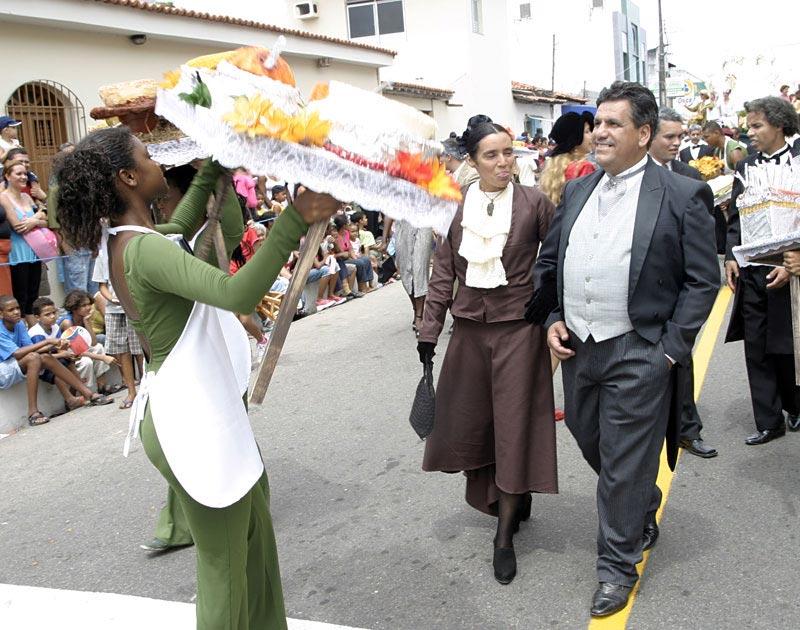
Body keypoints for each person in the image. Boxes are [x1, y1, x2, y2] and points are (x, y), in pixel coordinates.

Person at [55, 126, 339, 630]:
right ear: (127, 176)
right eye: (148, 157)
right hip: (191, 417)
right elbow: (234, 294)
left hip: (204, 408)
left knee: (255, 545)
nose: (159, 164)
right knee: (226, 568)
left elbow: (183, 225)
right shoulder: (142, 250)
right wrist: (295, 218)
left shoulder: (134, 238)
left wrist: (215, 168)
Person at [534, 81, 719, 616]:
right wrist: (551, 318)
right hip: (580, 348)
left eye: (614, 123)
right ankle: (641, 498)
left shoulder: (681, 194)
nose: (600, 132)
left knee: (621, 462)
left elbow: (702, 281)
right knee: (588, 436)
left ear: (643, 133)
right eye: (598, 123)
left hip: (641, 350)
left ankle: (616, 567)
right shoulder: (577, 190)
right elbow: (550, 265)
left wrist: (670, 350)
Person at [417, 119, 558, 585]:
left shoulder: (535, 203)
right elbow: (443, 273)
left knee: (514, 427)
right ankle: (505, 497)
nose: (503, 162)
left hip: (519, 331)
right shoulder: (455, 207)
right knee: (474, 425)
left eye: (508, 153)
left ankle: (503, 536)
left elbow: (557, 255)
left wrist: (549, 297)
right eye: (491, 155)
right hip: (470, 334)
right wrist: (428, 332)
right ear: (473, 162)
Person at [724, 96, 800, 442]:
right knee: (756, 347)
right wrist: (731, 255)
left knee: (788, 346)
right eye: (749, 126)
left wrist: (794, 258)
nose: (750, 132)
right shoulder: (745, 166)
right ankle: (769, 421)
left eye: (757, 126)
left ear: (779, 125)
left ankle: (795, 405)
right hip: (753, 269)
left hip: (790, 270)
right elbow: (736, 216)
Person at [649, 107, 718, 458]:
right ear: (648, 136)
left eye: (680, 136)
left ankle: (687, 430)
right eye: (670, 136)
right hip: (645, 292)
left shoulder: (690, 177)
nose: (678, 143)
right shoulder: (631, 178)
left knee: (681, 360)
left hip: (680, 289)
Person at [0, 294, 113, 424]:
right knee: (34, 357)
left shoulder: (19, 323)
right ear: (1, 314)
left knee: (45, 357)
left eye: (17, 308)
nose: (16, 312)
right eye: (11, 310)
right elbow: (17, 354)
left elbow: (30, 348)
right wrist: (49, 342)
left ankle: (89, 394)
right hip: (3, 371)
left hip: (19, 362)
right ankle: (33, 412)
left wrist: (55, 345)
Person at [48, 143, 99, 295]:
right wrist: (66, 247)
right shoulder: (56, 191)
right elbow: (55, 224)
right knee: (78, 290)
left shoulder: (85, 189)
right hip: (73, 246)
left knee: (94, 288)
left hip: (90, 243)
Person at [0, 160, 45, 327]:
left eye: (25, 173)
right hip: (17, 253)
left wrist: (34, 221)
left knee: (33, 296)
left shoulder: (27, 197)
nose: (23, 177)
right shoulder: (3, 197)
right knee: (21, 297)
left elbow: (46, 219)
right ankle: (21, 330)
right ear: (7, 176)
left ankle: (33, 331)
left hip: (34, 251)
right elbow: (18, 227)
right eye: (18, 173)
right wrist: (37, 218)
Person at [58, 289, 116, 394]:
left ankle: (102, 386)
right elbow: (76, 351)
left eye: (89, 304)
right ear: (74, 308)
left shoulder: (83, 318)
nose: (88, 307)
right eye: (84, 305)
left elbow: (93, 343)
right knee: (86, 362)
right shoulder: (67, 322)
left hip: (78, 351)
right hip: (66, 356)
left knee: (98, 347)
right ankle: (85, 394)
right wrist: (102, 357)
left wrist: (87, 322)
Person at [540, 112, 596, 209]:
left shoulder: (554, 165)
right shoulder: (584, 167)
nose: (591, 136)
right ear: (575, 138)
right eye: (587, 132)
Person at [333, 214, 372, 295]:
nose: (349, 224)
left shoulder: (346, 233)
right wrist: (353, 258)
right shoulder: (336, 236)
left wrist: (354, 257)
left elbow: (350, 247)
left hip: (348, 256)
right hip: (341, 260)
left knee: (366, 259)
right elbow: (341, 251)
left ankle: (369, 285)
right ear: (344, 225)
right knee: (360, 263)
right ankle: (362, 287)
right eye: (347, 223)